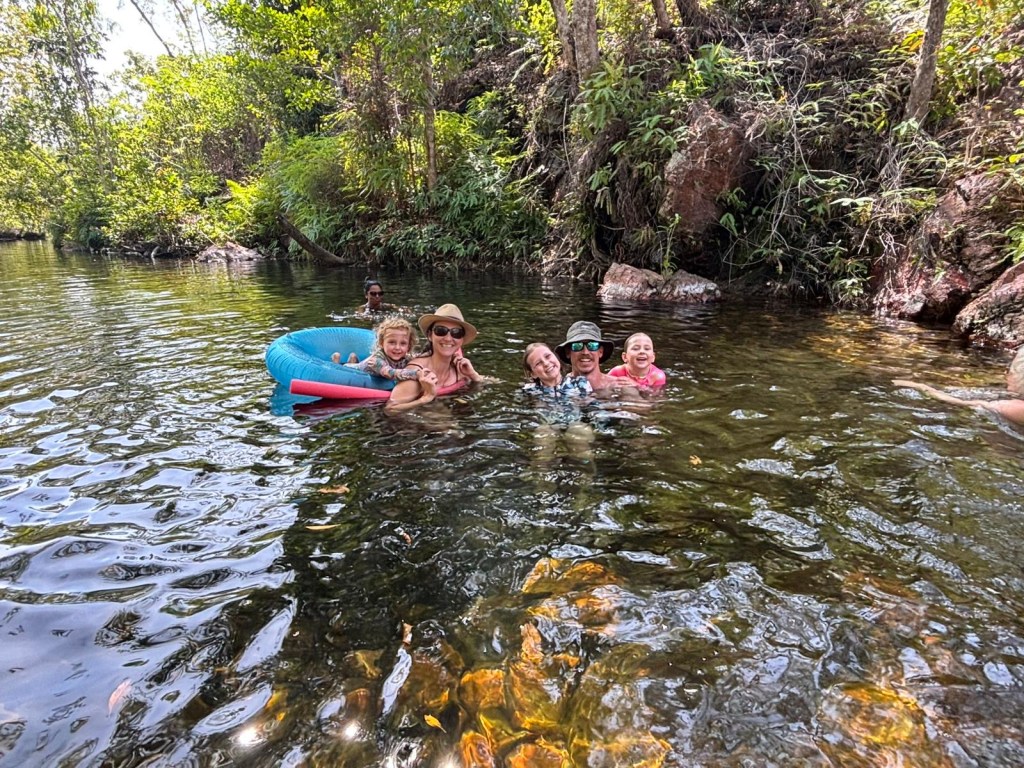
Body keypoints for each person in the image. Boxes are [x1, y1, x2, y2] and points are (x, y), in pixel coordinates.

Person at [385, 304, 485, 412]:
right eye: (440, 331)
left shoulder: (461, 369)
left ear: (461, 340)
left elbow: (494, 382)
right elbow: (390, 409)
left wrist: (473, 375)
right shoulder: (417, 373)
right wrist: (425, 398)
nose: (448, 338)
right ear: (429, 335)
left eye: (456, 333)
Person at [893, 347, 1024, 425]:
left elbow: (957, 401)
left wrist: (921, 386)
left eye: (1010, 371)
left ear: (1016, 377)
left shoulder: (1009, 408)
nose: (1006, 375)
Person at [333, 317, 430, 384]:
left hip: (362, 367)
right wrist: (416, 374)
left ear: (409, 346)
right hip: (352, 371)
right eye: (392, 342)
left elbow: (420, 357)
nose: (397, 347)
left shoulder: (405, 358)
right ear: (381, 343)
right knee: (342, 369)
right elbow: (390, 373)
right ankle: (337, 362)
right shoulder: (376, 361)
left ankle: (353, 359)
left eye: (403, 343)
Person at [554, 321, 628, 394]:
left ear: (600, 352)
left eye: (592, 345)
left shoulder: (621, 387)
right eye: (577, 346)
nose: (585, 352)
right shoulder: (558, 388)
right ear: (568, 352)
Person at [523, 342, 592, 398]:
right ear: (533, 374)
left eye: (548, 356)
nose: (546, 363)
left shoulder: (579, 383)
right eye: (538, 363)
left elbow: (591, 408)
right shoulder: (529, 391)